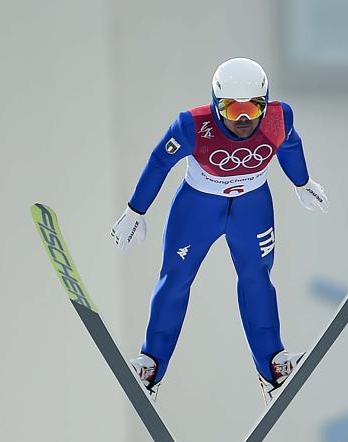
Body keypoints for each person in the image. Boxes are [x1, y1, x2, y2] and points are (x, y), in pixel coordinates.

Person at [110, 57, 329, 405]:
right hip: (198, 207)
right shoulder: (192, 126)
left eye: (252, 107)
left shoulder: (278, 118)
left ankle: (273, 368)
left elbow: (290, 145)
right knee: (176, 279)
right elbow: (159, 162)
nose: (242, 119)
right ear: (215, 104)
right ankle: (151, 365)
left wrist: (302, 182)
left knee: (257, 277)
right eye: (231, 108)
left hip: (252, 206)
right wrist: (134, 210)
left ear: (265, 101)